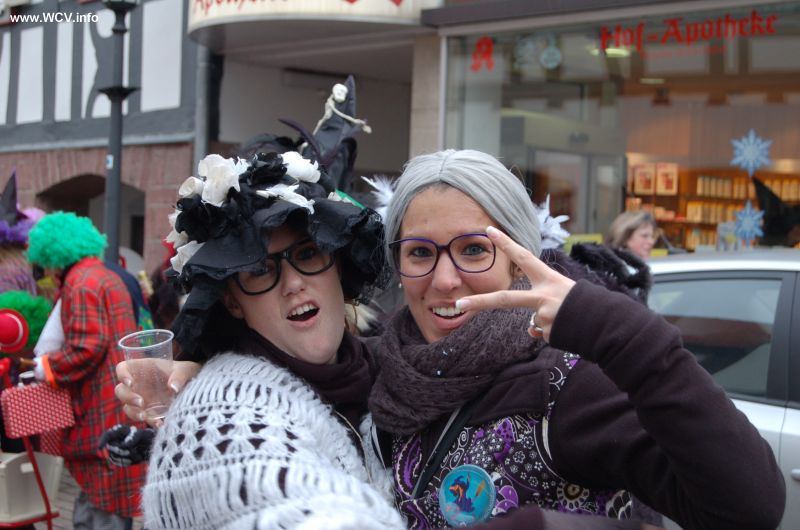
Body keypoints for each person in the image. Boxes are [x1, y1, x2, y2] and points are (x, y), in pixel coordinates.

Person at [366, 149, 784, 529]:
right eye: (420, 252)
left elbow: (748, 509)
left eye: (474, 249)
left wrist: (619, 331)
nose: (444, 280)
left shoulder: (569, 384)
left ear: (518, 261)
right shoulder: (383, 370)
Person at [115, 152, 404, 529]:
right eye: (260, 270)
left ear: (338, 267)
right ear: (233, 303)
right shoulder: (222, 414)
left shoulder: (394, 368)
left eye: (308, 254)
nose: (293, 283)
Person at [26, 211, 146, 530]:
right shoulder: (104, 275)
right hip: (118, 395)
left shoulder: (80, 283)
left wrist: (48, 366)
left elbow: (87, 346)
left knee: (102, 494)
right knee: (107, 490)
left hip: (99, 402)